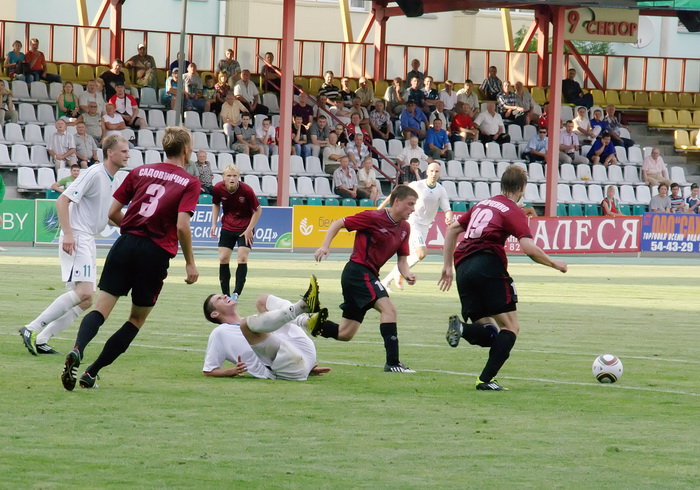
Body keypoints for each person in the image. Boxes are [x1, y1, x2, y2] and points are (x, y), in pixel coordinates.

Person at [61, 126, 200, 390]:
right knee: (136, 319)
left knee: (101, 307)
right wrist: (190, 262)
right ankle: (91, 372)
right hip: (155, 252)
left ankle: (78, 348)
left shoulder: (139, 171)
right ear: (185, 150)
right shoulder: (190, 182)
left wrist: (136, 227)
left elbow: (112, 212)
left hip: (125, 244)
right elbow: (182, 226)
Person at [439, 165, 568, 391]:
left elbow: (452, 230)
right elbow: (528, 248)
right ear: (522, 188)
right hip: (488, 265)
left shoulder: (483, 203)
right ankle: (485, 380)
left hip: (463, 268)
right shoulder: (512, 210)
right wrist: (554, 263)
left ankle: (461, 328)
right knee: (511, 327)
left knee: (490, 333)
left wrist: (447, 266)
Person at [20, 135, 129, 357]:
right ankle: (31, 328)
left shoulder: (112, 180)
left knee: (87, 299)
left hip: (88, 238)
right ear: (110, 153)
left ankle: (42, 338)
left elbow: (109, 216)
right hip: (78, 236)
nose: (128, 154)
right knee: (85, 291)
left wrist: (136, 227)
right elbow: (62, 200)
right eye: (124, 151)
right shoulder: (94, 173)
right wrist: (68, 234)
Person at [313, 184, 420, 373]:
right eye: (410, 204)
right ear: (397, 202)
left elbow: (402, 260)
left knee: (345, 334)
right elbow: (338, 223)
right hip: (358, 272)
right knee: (389, 310)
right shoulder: (373, 217)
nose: (413, 209)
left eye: (414, 205)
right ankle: (393, 363)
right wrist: (324, 246)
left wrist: (407, 274)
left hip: (367, 275)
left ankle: (306, 320)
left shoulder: (405, 228)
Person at [202, 282, 329, 380]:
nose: (225, 296)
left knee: (262, 301)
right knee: (247, 324)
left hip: (305, 354)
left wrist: (308, 368)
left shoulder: (255, 322)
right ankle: (302, 307)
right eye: (219, 299)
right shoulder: (220, 333)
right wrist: (230, 371)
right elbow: (208, 371)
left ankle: (306, 321)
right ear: (214, 314)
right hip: (285, 367)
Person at [380, 162, 451, 291]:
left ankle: (387, 281)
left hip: (426, 225)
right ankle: (397, 275)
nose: (434, 174)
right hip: (413, 222)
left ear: (440, 174)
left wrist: (448, 215)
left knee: (415, 256)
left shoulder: (441, 189)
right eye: (432, 171)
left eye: (437, 172)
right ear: (427, 172)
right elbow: (397, 192)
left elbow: (447, 208)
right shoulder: (418, 185)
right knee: (422, 253)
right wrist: (381, 207)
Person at [210, 163, 261, 298]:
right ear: (223, 177)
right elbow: (216, 204)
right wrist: (213, 224)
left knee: (242, 257)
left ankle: (236, 293)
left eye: (234, 176)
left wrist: (250, 229)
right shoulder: (218, 188)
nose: (232, 178)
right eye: (229, 176)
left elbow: (258, 210)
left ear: (238, 177)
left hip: (245, 228)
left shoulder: (247, 190)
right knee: (223, 258)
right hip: (227, 226)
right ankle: (225, 294)